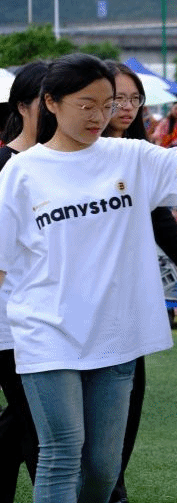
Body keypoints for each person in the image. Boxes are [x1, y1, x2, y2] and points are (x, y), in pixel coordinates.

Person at [0, 53, 177, 503]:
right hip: (47, 330)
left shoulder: (129, 156)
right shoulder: (21, 172)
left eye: (107, 105)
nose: (99, 116)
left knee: (104, 467)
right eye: (86, 105)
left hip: (116, 332)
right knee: (61, 453)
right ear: (51, 102)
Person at [102, 61, 177, 503]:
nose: (126, 107)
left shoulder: (137, 154)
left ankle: (114, 489)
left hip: (126, 305)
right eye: (117, 98)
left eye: (134, 99)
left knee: (125, 403)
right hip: (71, 309)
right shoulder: (49, 160)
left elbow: (161, 214)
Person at [0, 61, 48, 503]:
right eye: (45, 100)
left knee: (30, 421)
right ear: (23, 106)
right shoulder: (6, 164)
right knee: (38, 424)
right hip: (10, 321)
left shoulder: (67, 163)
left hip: (53, 317)